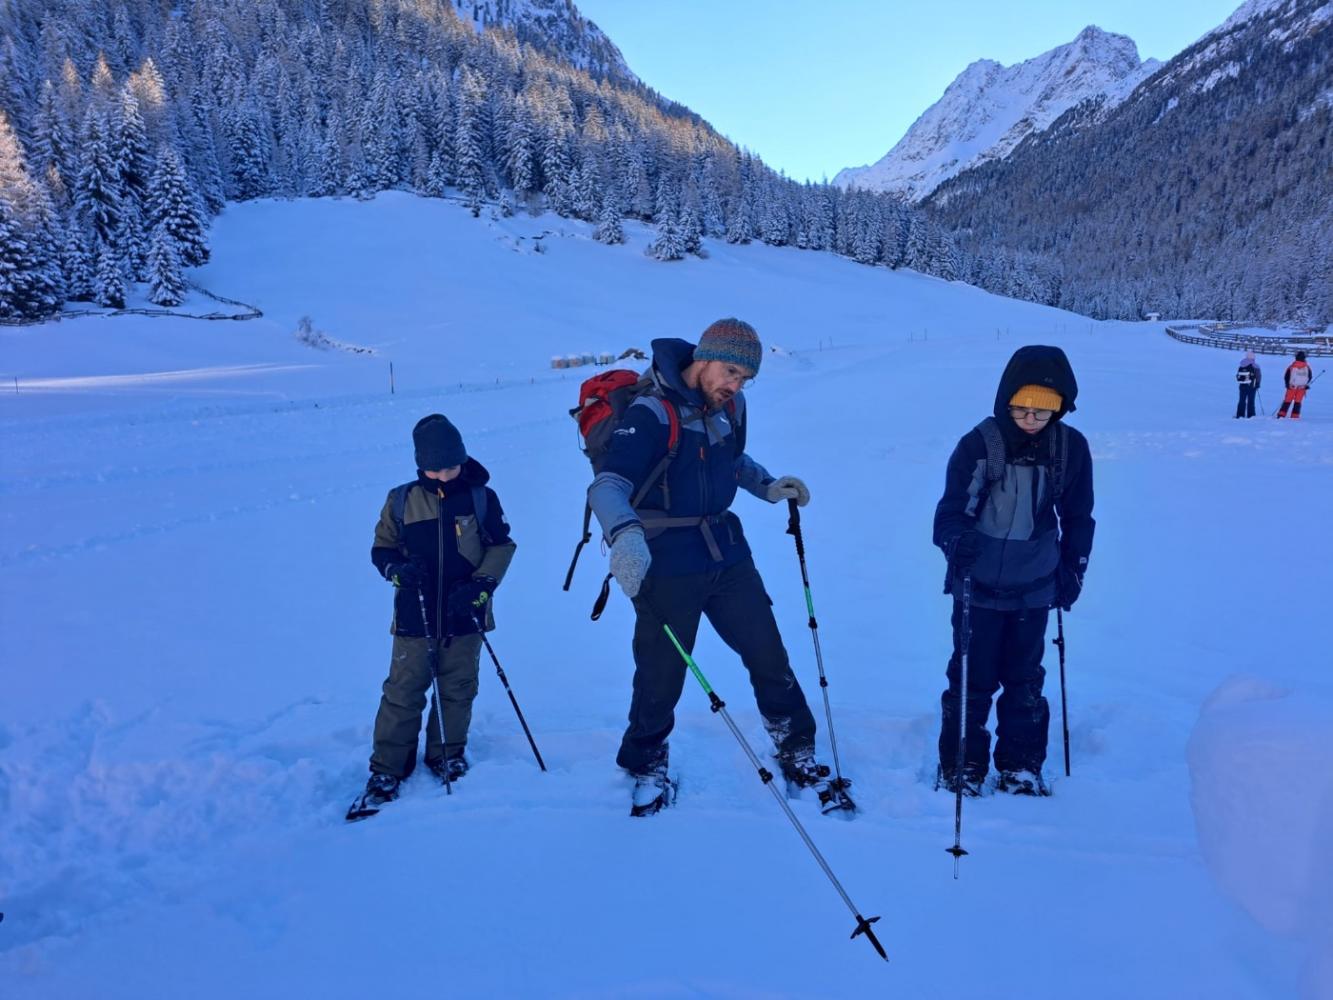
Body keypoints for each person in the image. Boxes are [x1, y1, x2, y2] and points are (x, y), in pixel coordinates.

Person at [588, 318, 829, 816]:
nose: (735, 386)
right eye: (730, 372)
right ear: (704, 358)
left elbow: (730, 461)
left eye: (745, 378)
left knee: (767, 652)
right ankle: (644, 760)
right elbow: (607, 485)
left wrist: (767, 485)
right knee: (661, 673)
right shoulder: (651, 413)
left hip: (726, 550)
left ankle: (794, 742)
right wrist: (626, 536)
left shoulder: (730, 407)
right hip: (664, 559)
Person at [932, 346, 1095, 797]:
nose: (1030, 419)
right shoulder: (979, 444)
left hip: (1036, 585)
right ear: (1006, 401)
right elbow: (949, 513)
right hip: (977, 584)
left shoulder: (1069, 448)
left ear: (1060, 407)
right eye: (1021, 409)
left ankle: (1021, 765)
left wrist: (1074, 569)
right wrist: (954, 541)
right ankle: (962, 765)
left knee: (1024, 680)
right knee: (971, 677)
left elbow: (1078, 516)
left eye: (1043, 411)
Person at [354, 414, 516, 813]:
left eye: (451, 467)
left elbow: (501, 546)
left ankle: (446, 752)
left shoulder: (481, 498)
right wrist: (396, 570)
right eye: (435, 468)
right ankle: (388, 767)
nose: (444, 475)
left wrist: (482, 585)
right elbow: (382, 548)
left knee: (458, 686)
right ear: (420, 465)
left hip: (466, 611)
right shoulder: (401, 500)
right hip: (416, 612)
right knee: (403, 690)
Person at [1275, 350, 1313, 419]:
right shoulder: (1307, 367)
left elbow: (1286, 376)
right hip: (1302, 388)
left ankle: (1281, 415)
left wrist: (1287, 384)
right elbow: (1310, 377)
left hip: (1291, 386)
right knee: (1298, 402)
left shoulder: (1292, 366)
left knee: (1287, 401)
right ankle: (1295, 416)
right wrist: (1306, 385)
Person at [1235, 350, 1261, 418]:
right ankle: (1251, 415)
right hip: (1252, 386)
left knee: (1241, 400)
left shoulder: (1241, 365)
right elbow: (1258, 376)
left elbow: (1238, 375)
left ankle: (1240, 415)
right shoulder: (1255, 366)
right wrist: (1258, 384)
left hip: (1242, 386)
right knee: (1251, 401)